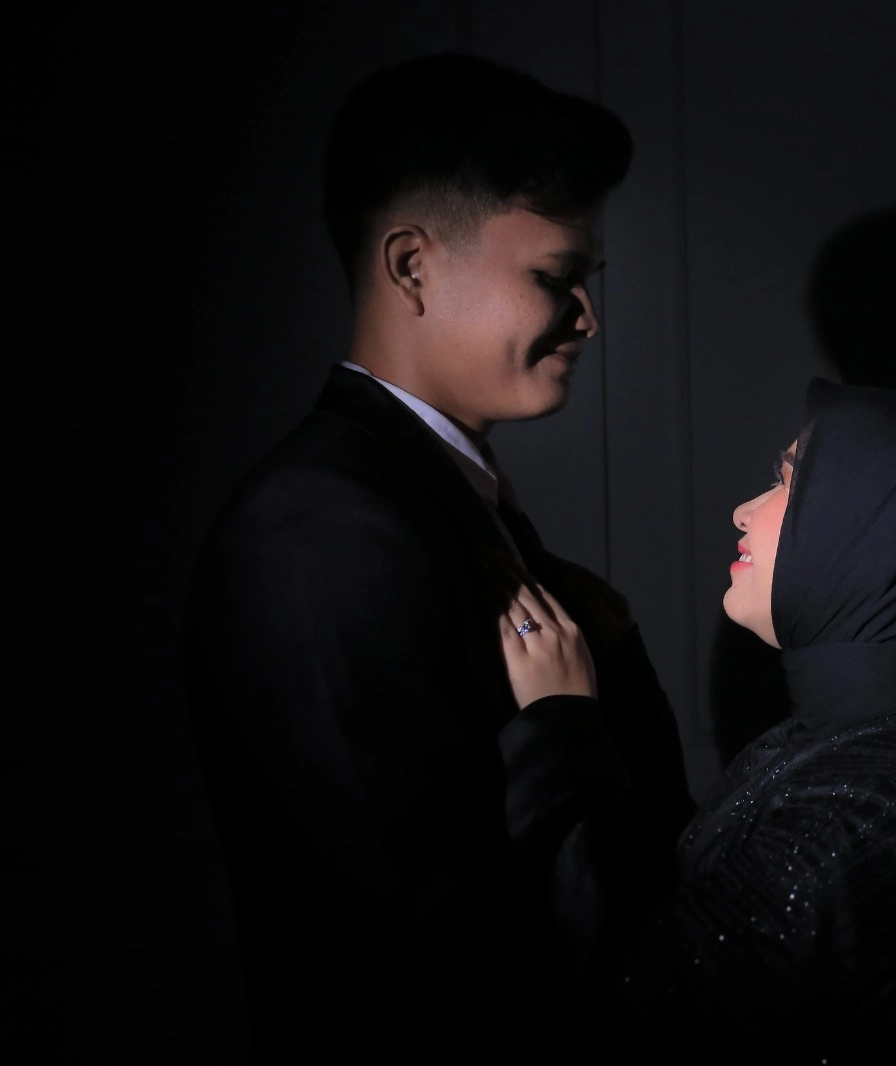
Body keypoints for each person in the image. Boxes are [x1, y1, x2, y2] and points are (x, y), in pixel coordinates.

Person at [185, 52, 692, 1062]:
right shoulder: (318, 526)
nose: (587, 318)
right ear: (412, 265)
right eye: (556, 277)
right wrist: (565, 728)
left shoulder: (443, 497)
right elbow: (405, 957)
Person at [501, 379, 896, 1062]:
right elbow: (695, 894)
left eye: (787, 483)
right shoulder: (866, 740)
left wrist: (561, 726)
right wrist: (617, 680)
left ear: (873, 538)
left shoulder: (866, 806)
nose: (743, 511)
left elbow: (632, 1012)